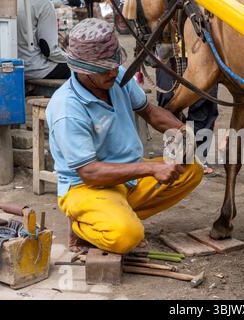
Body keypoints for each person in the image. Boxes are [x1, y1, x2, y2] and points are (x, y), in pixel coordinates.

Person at [46, 18, 203, 254]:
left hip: (127, 177)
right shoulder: (67, 109)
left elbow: (149, 111)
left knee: (191, 170)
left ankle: (114, 216)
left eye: (114, 64)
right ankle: (82, 226)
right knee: (126, 237)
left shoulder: (117, 76)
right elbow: (89, 173)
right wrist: (151, 169)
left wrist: (181, 130)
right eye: (104, 68)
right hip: (86, 188)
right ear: (84, 71)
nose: (113, 71)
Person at [156, 58, 219, 175]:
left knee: (204, 100)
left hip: (203, 47)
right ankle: (175, 149)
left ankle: (197, 155)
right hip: (168, 46)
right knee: (167, 99)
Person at [17, 0, 71, 80]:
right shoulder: (44, 4)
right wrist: (74, 60)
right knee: (79, 69)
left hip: (10, 67)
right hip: (34, 69)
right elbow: (50, 51)